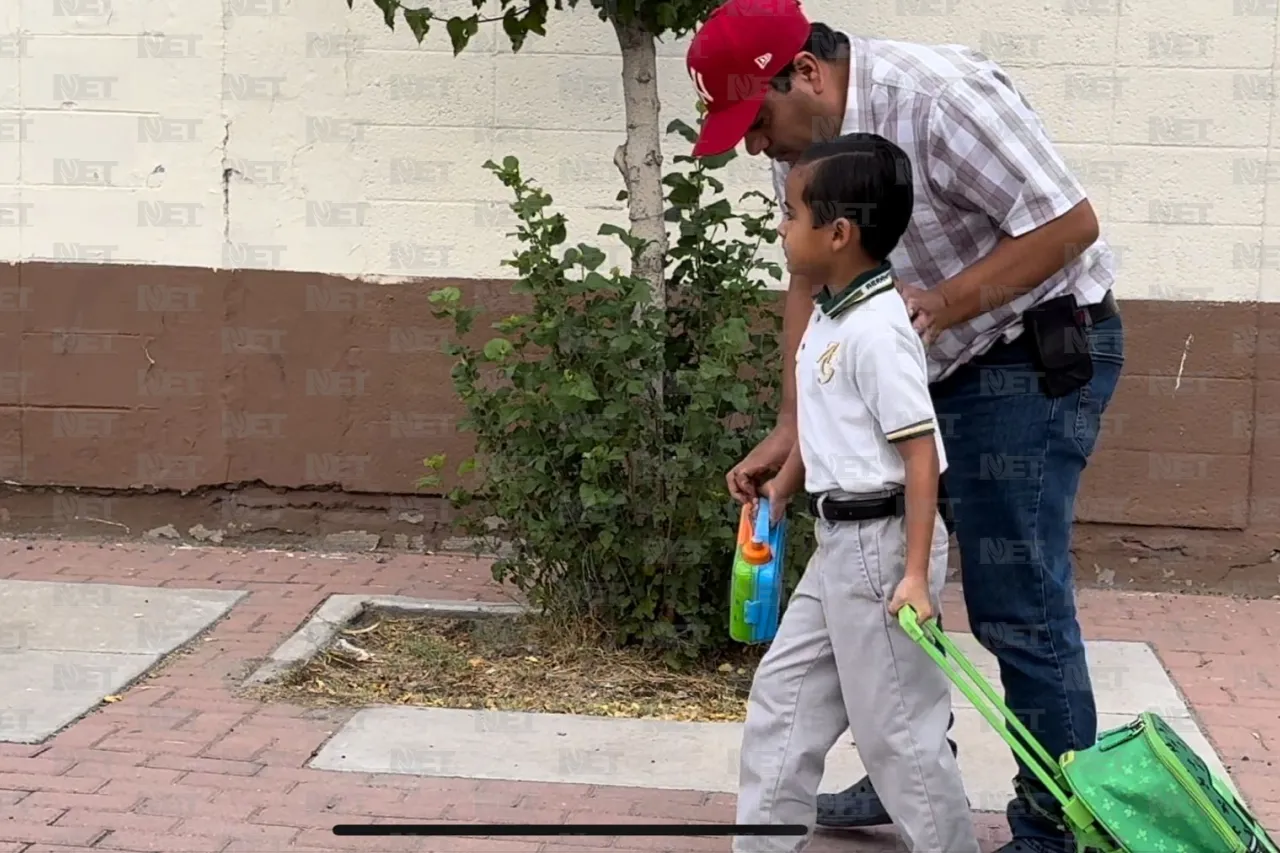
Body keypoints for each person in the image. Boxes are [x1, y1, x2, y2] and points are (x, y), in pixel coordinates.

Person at [685, 2, 1125, 853]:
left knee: (1017, 602)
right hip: (926, 356)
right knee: (864, 614)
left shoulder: (941, 97)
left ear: (806, 74)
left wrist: (936, 306)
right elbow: (805, 289)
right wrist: (794, 426)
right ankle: (903, 769)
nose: (753, 147)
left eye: (756, 119)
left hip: (1024, 349)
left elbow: (1071, 224)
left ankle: (1058, 824)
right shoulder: (813, 153)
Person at [736, 130, 978, 853]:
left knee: (899, 735)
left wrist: (914, 573)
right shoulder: (829, 317)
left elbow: (920, 456)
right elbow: (830, 425)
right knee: (783, 700)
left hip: (883, 548)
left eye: (791, 214)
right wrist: (784, 484)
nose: (782, 227)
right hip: (836, 544)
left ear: (837, 233)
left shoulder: (879, 331)